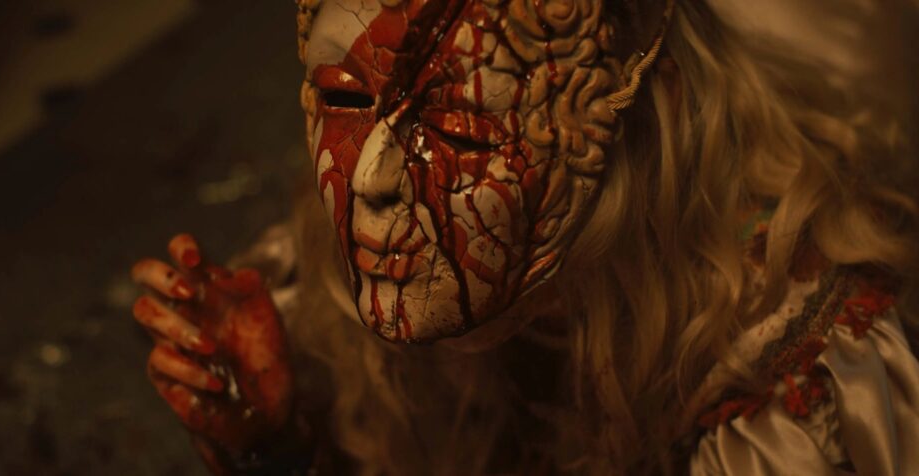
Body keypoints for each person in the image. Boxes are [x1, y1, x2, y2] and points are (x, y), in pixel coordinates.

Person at [130, 0, 919, 474]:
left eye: (462, 136)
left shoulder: (791, 376)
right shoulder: (358, 265)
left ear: (612, 123)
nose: (369, 175)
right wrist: (278, 443)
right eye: (343, 99)